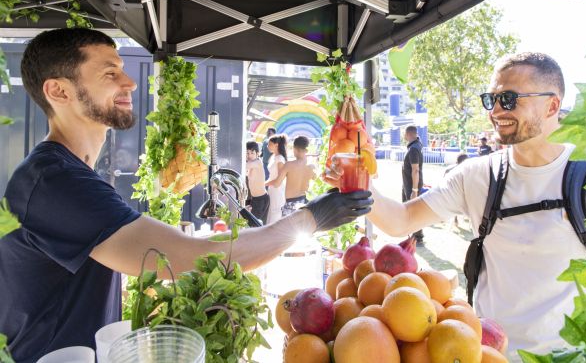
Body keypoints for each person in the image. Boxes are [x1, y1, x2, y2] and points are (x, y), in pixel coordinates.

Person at [0, 28, 373, 362]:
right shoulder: (55, 181)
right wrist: (311, 218)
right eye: (110, 74)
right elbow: (190, 259)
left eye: (122, 70)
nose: (129, 83)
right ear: (59, 91)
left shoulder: (64, 173)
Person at [325, 52, 586, 357]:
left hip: (576, 356)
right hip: (486, 354)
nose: (495, 110)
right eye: (490, 99)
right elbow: (402, 220)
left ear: (552, 105)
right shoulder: (477, 175)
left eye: (509, 99)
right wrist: (360, 184)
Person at [268, 136, 316, 216]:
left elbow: (277, 184)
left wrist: (264, 184)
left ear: (294, 149)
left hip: (290, 205)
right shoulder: (312, 167)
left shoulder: (289, 165)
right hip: (305, 203)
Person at [401, 125, 424, 243]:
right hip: (409, 184)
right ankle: (414, 236)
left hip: (412, 186)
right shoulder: (415, 145)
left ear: (408, 134)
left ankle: (417, 237)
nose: (403, 136)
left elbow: (415, 170)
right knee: (410, 210)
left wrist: (414, 190)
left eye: (404, 133)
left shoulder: (413, 149)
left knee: (413, 211)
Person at [265, 134, 288, 223]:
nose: (267, 146)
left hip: (277, 190)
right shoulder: (273, 156)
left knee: (275, 214)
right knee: (272, 213)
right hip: (272, 189)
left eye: (270, 144)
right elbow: (272, 176)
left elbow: (279, 180)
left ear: (276, 145)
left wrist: (264, 184)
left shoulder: (280, 159)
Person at [245, 141, 269, 225]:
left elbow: (244, 166)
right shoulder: (252, 164)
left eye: (252, 153)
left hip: (261, 199)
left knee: (255, 224)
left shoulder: (258, 162)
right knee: (255, 224)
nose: (249, 155)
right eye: (247, 153)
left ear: (257, 154)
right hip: (255, 199)